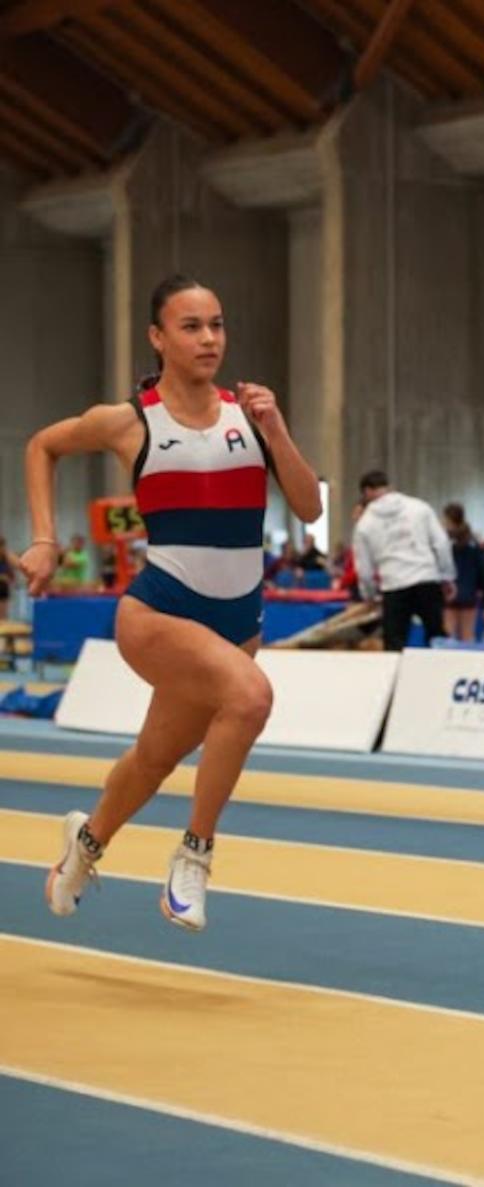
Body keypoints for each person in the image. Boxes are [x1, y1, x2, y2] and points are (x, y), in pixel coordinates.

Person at [21, 273, 321, 931]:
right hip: (157, 614)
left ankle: (87, 841)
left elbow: (309, 506)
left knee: (154, 759)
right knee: (251, 697)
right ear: (159, 337)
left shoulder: (251, 414)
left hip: (239, 621)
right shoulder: (131, 420)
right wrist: (44, 539)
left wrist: (278, 430)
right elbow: (43, 445)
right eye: (191, 326)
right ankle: (196, 853)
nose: (209, 338)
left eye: (217, 324)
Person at [353, 470, 454, 651]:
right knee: (437, 637)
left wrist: (370, 595)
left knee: (394, 645)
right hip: (426, 578)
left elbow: (364, 570)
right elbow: (442, 543)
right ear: (389, 487)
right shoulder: (420, 507)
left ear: (367, 492)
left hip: (394, 585)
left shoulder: (364, 524)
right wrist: (447, 576)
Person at [441, 502, 482, 642]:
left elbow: (479, 567)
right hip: (465, 591)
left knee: (454, 633)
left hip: (456, 591)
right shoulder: (473, 540)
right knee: (465, 634)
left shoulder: (446, 541)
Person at [0, 537, 19, 620]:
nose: (2, 549)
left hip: (3, 589)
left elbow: (12, 577)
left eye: (3, 547)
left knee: (3, 615)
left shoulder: (6, 559)